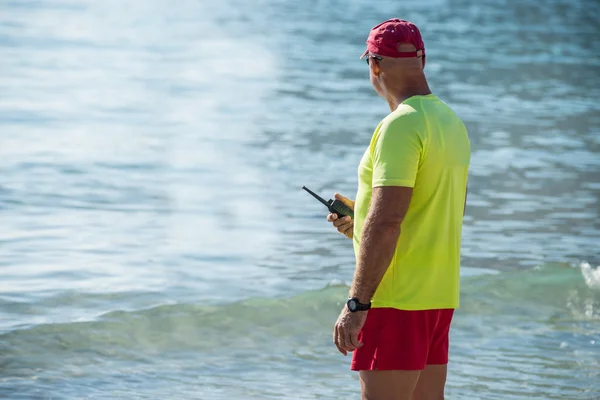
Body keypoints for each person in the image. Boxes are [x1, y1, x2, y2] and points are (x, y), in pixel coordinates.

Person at [327, 19, 471, 400]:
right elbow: (437, 209)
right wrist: (361, 223)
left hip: (396, 300)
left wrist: (357, 304)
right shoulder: (450, 122)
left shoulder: (399, 126)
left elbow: (388, 221)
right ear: (422, 59)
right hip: (438, 296)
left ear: (374, 65)